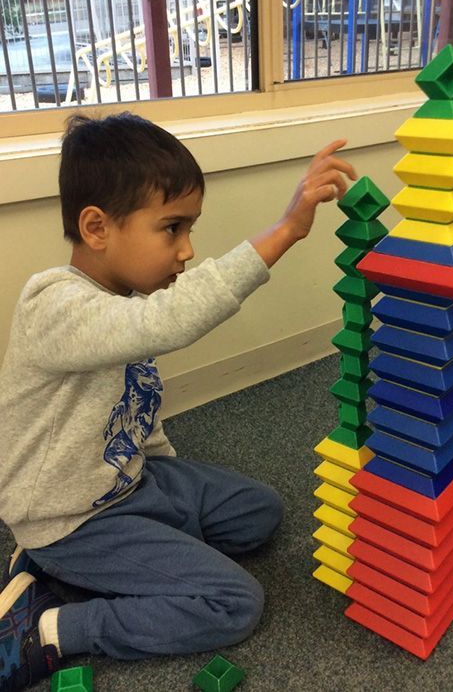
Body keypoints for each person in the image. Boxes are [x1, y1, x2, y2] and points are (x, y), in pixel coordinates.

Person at [0, 112, 357, 691]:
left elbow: (132, 406)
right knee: (234, 602)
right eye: (172, 228)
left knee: (259, 512)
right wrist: (286, 229)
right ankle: (52, 624)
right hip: (71, 518)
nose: (187, 249)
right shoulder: (54, 305)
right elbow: (169, 322)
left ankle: (73, 569)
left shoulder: (124, 306)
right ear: (96, 228)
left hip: (131, 482)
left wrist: (167, 484)